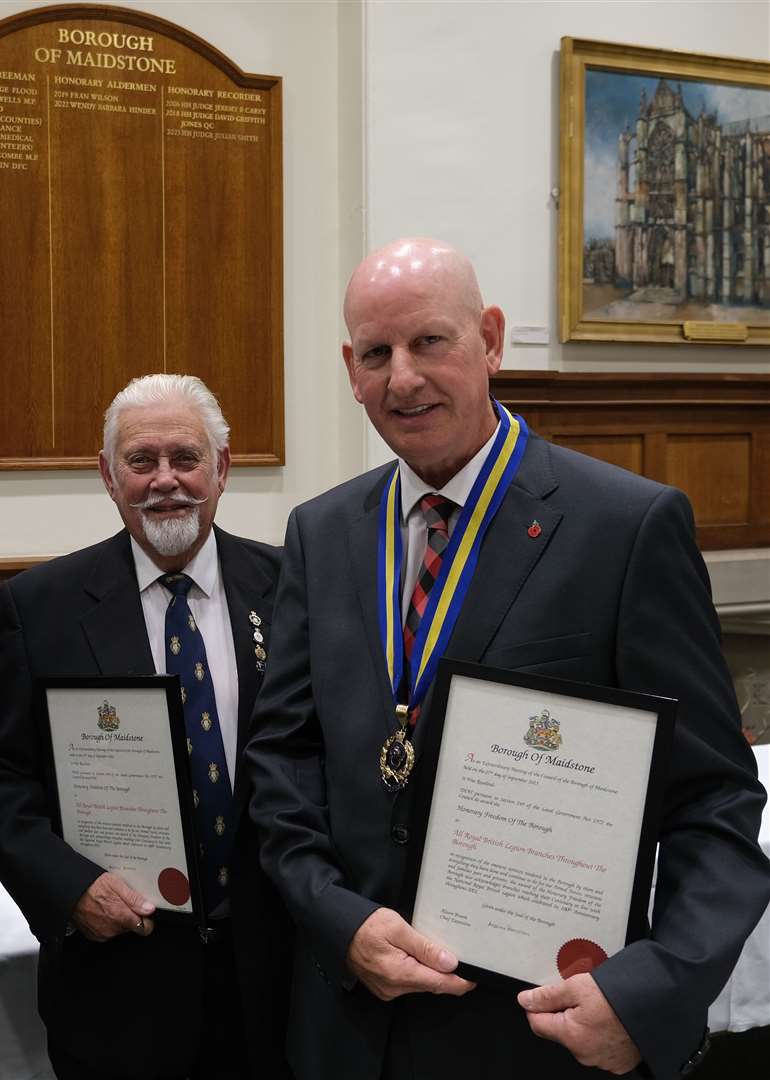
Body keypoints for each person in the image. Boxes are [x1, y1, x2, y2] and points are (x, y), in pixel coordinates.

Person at [243, 238, 770, 1080]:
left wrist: (649, 991)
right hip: (348, 1028)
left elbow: (714, 798)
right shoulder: (322, 532)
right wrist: (337, 920)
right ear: (351, 369)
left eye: (429, 342)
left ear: (489, 339)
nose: (403, 378)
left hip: (531, 1040)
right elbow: (284, 760)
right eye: (376, 354)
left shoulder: (624, 529)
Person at [0, 374, 291, 1080]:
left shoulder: (290, 587)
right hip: (117, 988)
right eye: (142, 461)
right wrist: (68, 888)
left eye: (187, 458)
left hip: (276, 981)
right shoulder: (43, 605)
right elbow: (2, 784)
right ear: (109, 477)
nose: (166, 481)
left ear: (224, 468)